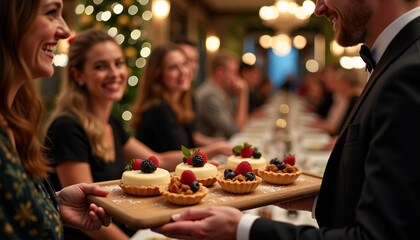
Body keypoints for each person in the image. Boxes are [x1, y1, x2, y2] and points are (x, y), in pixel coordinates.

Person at [152, 0, 420, 239]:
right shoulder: (399, 60)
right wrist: (315, 199)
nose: (319, 8)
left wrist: (243, 229)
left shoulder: (408, 72)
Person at [44, 30, 202, 240]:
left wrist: (208, 159)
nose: (114, 73)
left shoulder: (111, 123)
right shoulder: (67, 127)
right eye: (101, 66)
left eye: (118, 63)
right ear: (77, 75)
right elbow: (87, 212)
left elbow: (158, 160)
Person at [0, 0, 111, 239]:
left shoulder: (17, 117)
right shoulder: (68, 125)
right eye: (51, 13)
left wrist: (52, 203)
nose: (66, 31)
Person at [130, 43, 233, 155]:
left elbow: (190, 137)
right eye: (173, 67)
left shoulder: (185, 101)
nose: (183, 71)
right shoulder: (159, 109)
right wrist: (216, 149)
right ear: (158, 74)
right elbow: (180, 155)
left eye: (185, 64)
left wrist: (213, 142)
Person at [194, 50, 249, 139]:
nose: (238, 77)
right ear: (220, 73)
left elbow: (240, 121)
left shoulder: (223, 92)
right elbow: (236, 130)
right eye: (234, 72)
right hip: (208, 150)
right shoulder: (209, 96)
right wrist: (243, 93)